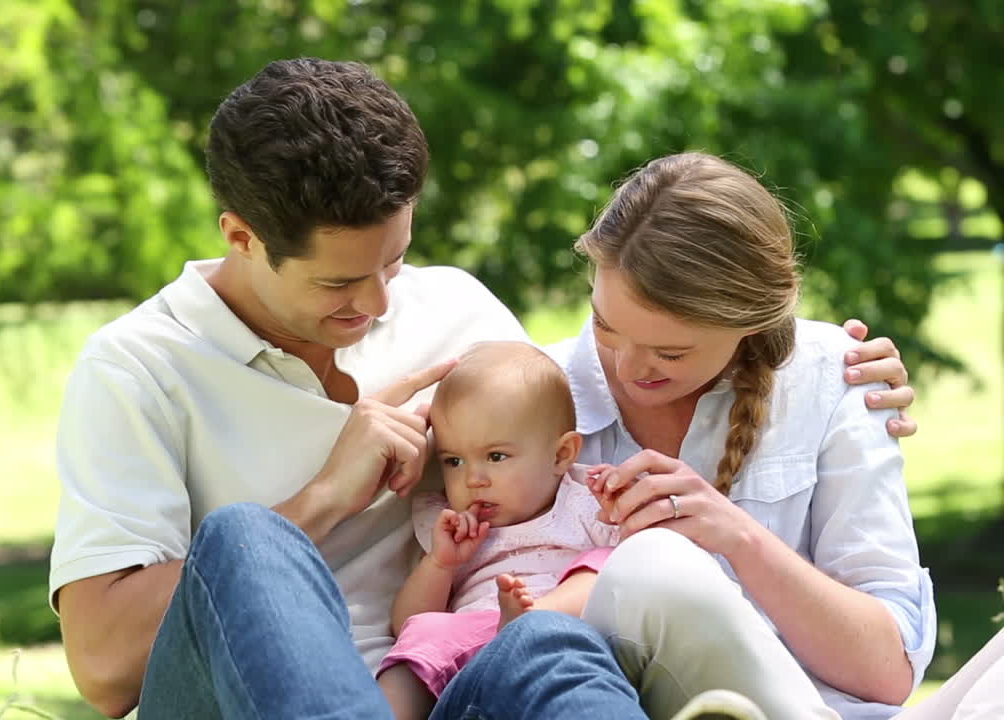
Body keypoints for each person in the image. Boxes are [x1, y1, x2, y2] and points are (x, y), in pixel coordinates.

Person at [48, 59, 916, 719]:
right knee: (244, 538)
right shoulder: (140, 368)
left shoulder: (459, 313)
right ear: (242, 237)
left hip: (445, 686)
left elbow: (595, 391)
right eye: (339, 284)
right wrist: (324, 496)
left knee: (551, 646)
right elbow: (105, 672)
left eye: (394, 261)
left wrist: (830, 364)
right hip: (243, 699)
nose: (379, 305)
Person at [543, 151, 944, 720]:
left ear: (750, 321)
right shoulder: (531, 395)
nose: (628, 368)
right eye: (606, 325)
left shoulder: (835, 377)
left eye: (670, 352)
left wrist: (736, 536)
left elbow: (887, 672)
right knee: (648, 565)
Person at [376, 341, 621, 720]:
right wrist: (440, 564)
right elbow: (405, 624)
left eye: (495, 456)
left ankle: (532, 618)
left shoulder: (587, 501)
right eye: (453, 461)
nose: (473, 479)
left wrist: (618, 508)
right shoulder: (453, 527)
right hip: (470, 649)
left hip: (560, 645)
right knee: (421, 639)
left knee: (605, 563)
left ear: (561, 455)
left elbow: (639, 570)